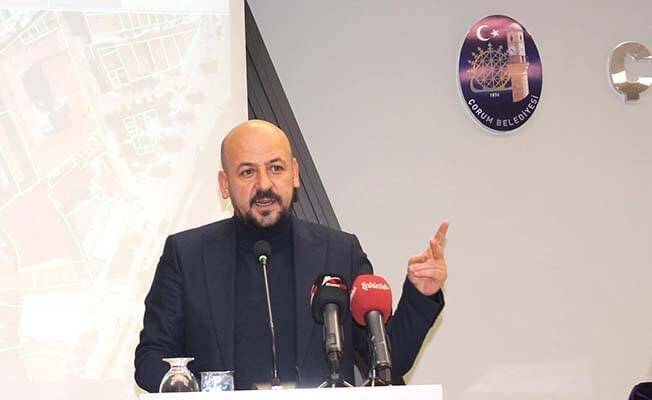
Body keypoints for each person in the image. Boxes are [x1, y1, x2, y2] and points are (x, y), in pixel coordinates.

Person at [134, 120, 449, 391]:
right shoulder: (186, 255)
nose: (264, 184)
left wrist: (420, 296)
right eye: (247, 172)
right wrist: (200, 392)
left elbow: (388, 363)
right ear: (224, 184)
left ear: (294, 174)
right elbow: (151, 360)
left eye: (276, 168)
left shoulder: (339, 252)